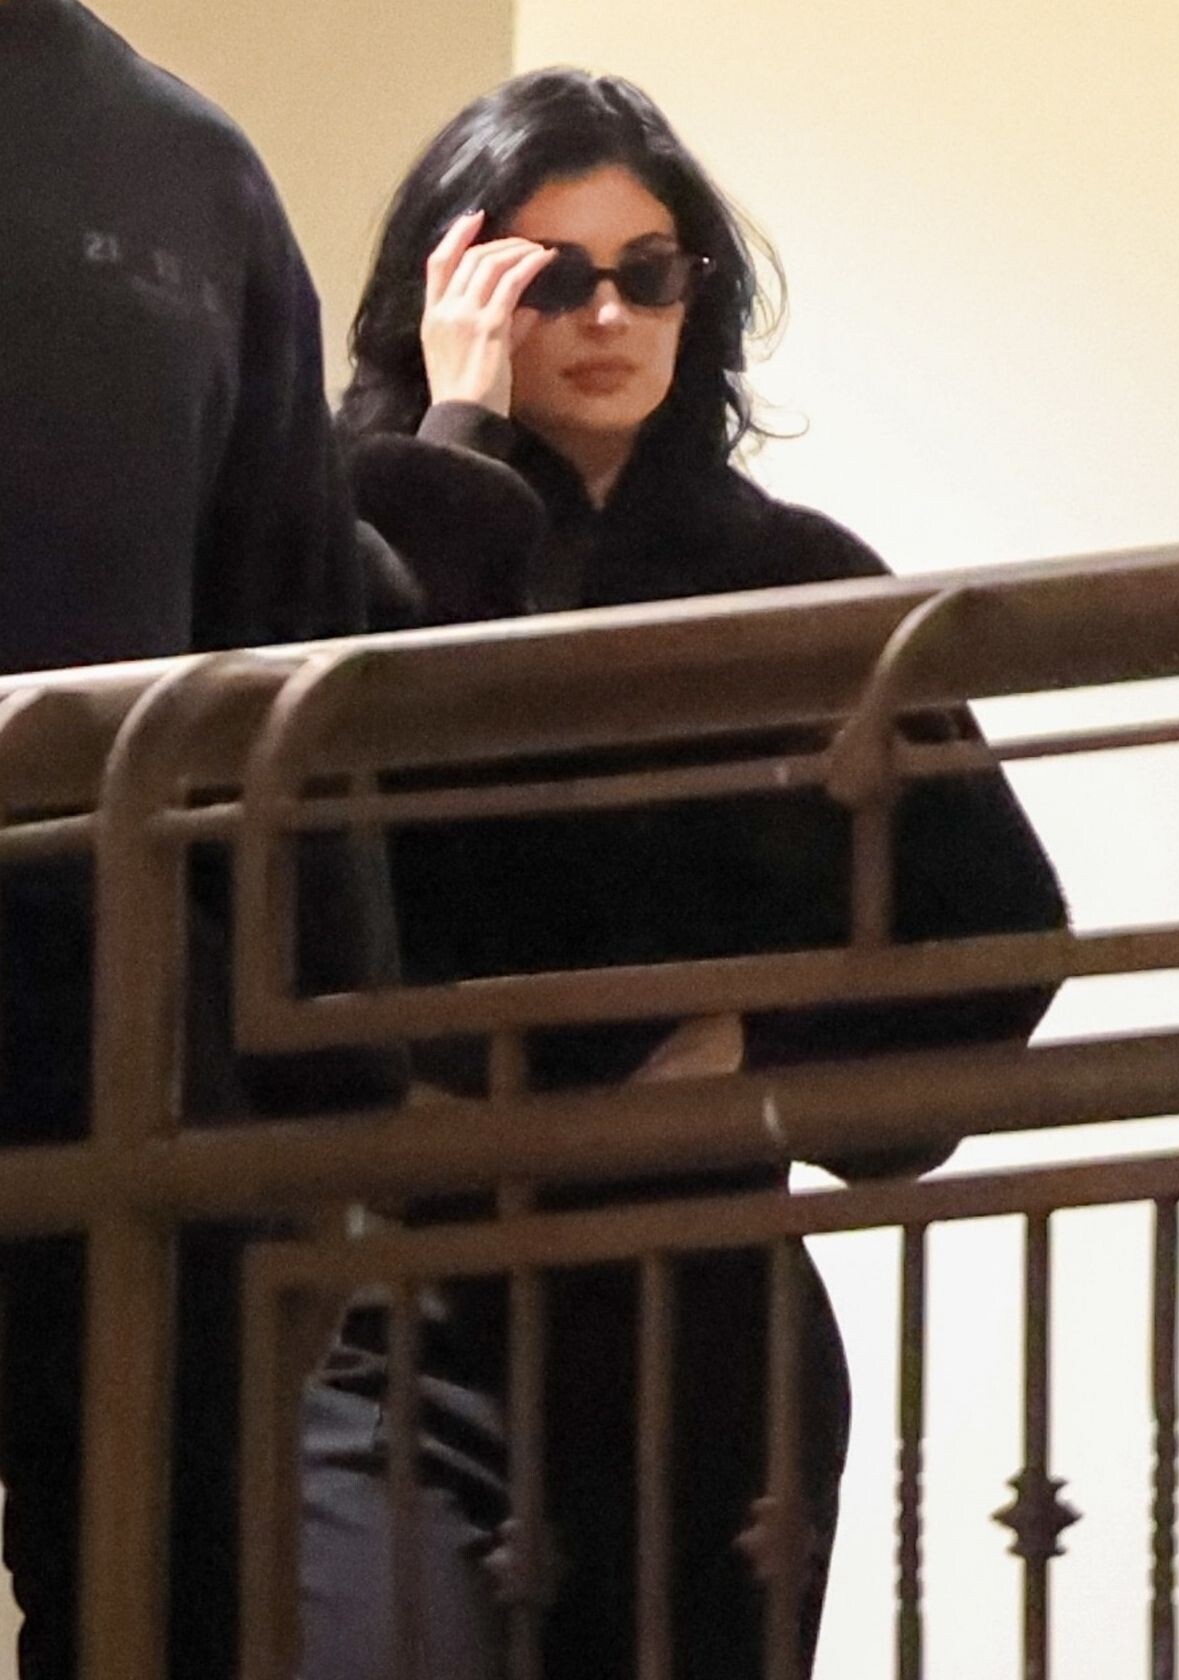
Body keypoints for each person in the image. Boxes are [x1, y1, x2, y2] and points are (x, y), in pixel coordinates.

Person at [300, 66, 1069, 1680]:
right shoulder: (348, 536)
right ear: (452, 286)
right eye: (548, 274)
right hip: (394, 1289)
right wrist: (456, 445)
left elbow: (999, 930)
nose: (606, 314)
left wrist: (762, 1052)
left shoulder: (792, 578)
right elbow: (333, 829)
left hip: (703, 1313)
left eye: (646, 273)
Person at [0, 2, 411, 1675]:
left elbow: (287, 633)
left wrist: (337, 1096)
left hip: (125, 1025)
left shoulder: (190, 170)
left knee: (169, 1598)